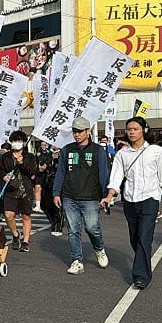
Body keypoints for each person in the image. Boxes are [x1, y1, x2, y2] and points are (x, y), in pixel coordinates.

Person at [103, 117, 162, 290]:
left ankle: (141, 276)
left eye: (135, 129)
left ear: (144, 130)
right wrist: (109, 196)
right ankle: (143, 261)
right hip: (130, 201)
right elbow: (116, 177)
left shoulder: (156, 151)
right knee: (134, 238)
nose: (132, 132)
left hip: (150, 199)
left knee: (144, 236)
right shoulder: (122, 154)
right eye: (129, 129)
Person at [53, 117, 110, 275]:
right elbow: (61, 172)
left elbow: (104, 173)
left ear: (88, 132)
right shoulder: (67, 150)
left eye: (80, 131)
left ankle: (99, 249)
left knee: (92, 228)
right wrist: (56, 193)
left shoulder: (98, 150)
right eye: (74, 131)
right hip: (69, 196)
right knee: (73, 230)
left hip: (91, 197)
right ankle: (76, 261)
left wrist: (106, 195)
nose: (76, 135)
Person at [0, 130, 37, 252]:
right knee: (8, 215)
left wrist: (22, 163)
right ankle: (15, 234)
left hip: (25, 190)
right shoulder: (6, 157)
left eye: (19, 141)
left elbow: (32, 172)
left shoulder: (30, 157)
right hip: (10, 190)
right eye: (14, 140)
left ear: (24, 142)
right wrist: (4, 176)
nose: (17, 143)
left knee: (26, 216)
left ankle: (25, 241)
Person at [38, 147, 63, 236]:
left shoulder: (63, 157)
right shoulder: (47, 155)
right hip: (47, 184)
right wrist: (42, 168)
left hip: (59, 184)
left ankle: (57, 227)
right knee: (45, 206)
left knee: (57, 206)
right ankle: (53, 222)